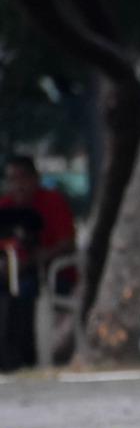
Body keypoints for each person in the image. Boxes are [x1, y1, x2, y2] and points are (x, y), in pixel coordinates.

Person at [0, 155, 76, 369]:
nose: (18, 185)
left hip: (50, 275)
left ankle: (27, 357)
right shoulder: (4, 207)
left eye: (22, 178)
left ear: (35, 179)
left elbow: (66, 243)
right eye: (12, 179)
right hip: (10, 273)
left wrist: (34, 260)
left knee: (24, 292)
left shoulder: (52, 202)